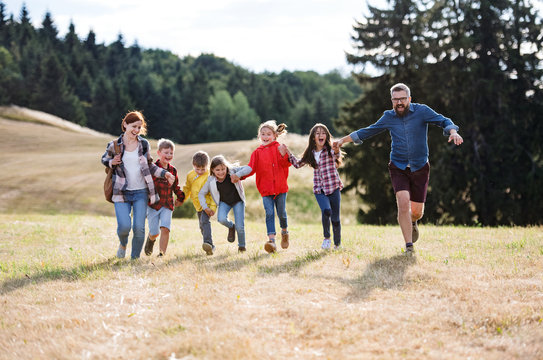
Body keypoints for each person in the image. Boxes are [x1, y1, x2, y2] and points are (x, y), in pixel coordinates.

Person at [333, 83, 463, 252]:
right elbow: (368, 131)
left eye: (402, 99)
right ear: (392, 101)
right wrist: (343, 140)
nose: (399, 103)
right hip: (398, 166)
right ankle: (409, 246)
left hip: (420, 167)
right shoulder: (388, 117)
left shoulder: (422, 111)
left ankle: (413, 221)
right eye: (396, 100)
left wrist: (452, 131)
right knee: (402, 203)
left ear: (409, 99)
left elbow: (443, 120)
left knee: (417, 212)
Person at [101, 111, 175, 259]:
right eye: (134, 126)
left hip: (141, 192)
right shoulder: (114, 145)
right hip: (121, 192)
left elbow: (150, 166)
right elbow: (104, 159)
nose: (136, 130)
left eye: (139, 127)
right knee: (124, 227)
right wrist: (111, 162)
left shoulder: (143, 144)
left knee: (139, 228)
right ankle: (123, 244)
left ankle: (134, 259)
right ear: (125, 124)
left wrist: (164, 173)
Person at [283, 123, 344, 250]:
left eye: (323, 133)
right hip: (319, 189)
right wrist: (288, 153)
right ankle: (327, 239)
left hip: (333, 187)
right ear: (313, 138)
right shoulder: (310, 153)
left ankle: (337, 244)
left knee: (336, 219)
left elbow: (337, 155)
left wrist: (337, 149)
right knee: (326, 211)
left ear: (326, 136)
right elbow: (298, 164)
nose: (321, 135)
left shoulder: (330, 150)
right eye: (318, 133)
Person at [241, 120, 291, 253]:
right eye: (263, 134)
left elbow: (286, 164)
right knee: (269, 213)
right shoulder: (257, 153)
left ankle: (285, 232)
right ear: (259, 136)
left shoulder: (279, 147)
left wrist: (283, 154)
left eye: (268, 134)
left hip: (280, 188)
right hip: (265, 189)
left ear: (275, 135)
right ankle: (272, 241)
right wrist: (240, 177)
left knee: (281, 213)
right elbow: (251, 168)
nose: (265, 136)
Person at [198, 155, 251, 253]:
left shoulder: (232, 171)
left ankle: (242, 246)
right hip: (224, 202)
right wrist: (205, 207)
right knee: (221, 219)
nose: (221, 172)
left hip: (238, 201)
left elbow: (249, 168)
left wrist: (237, 175)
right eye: (217, 170)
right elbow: (201, 194)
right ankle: (231, 226)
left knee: (240, 226)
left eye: (223, 169)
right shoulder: (211, 180)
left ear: (226, 167)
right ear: (212, 170)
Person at [143, 138, 185, 257]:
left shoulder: (173, 170)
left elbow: (175, 186)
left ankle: (162, 254)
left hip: (167, 204)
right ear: (159, 153)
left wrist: (180, 197)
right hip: (153, 205)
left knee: (165, 228)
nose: (169, 155)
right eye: (166, 152)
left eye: (171, 153)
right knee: (155, 231)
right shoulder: (153, 168)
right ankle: (151, 239)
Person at [182, 151, 217, 255]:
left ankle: (208, 243)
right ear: (193, 165)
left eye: (203, 169)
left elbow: (213, 194)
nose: (200, 171)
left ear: (208, 165)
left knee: (205, 222)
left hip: (207, 205)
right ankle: (211, 246)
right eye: (198, 169)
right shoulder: (190, 175)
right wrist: (181, 199)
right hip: (198, 206)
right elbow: (187, 188)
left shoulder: (210, 176)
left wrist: (212, 208)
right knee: (202, 226)